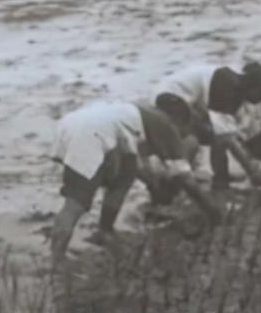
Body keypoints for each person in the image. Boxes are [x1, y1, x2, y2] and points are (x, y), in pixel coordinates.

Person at [48, 100, 223, 269]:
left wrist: (154, 187)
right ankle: (57, 260)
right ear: (180, 122)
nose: (183, 138)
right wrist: (213, 211)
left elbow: (139, 167)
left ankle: (104, 230)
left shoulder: (140, 117)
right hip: (90, 136)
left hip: (71, 124)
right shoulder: (167, 125)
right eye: (185, 133)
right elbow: (184, 178)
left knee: (127, 170)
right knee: (76, 204)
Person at [153, 62, 261, 191]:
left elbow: (221, 135)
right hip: (168, 98)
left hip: (181, 100)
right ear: (254, 87)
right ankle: (177, 179)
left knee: (216, 135)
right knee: (194, 138)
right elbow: (226, 137)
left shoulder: (236, 89)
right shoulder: (226, 83)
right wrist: (252, 169)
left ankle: (220, 177)